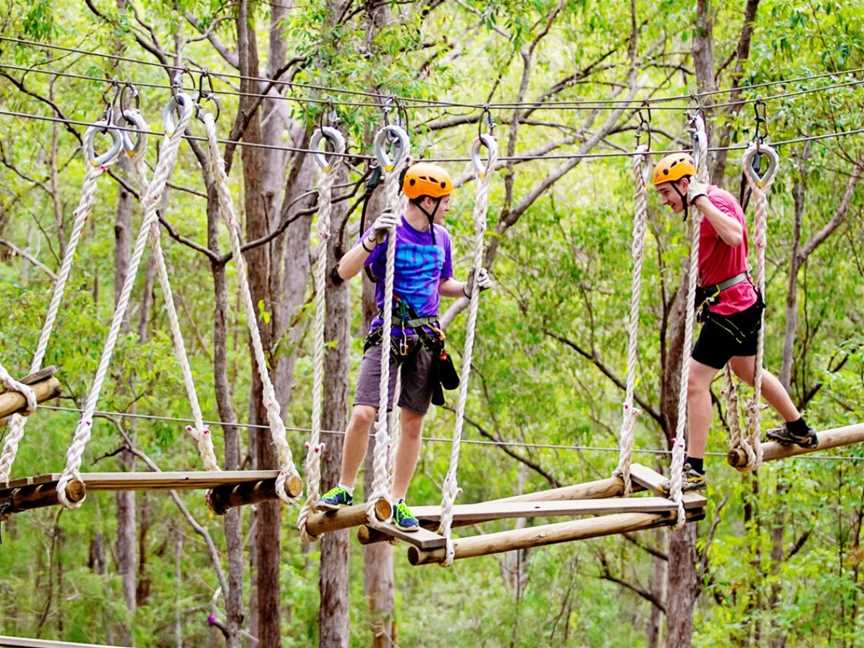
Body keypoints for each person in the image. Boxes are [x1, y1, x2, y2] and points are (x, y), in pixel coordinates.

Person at [318, 162, 492, 530]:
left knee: (412, 422)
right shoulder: (390, 232)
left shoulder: (441, 238)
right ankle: (344, 487)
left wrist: (468, 287)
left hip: (425, 337)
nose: (447, 207)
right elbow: (343, 272)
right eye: (443, 201)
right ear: (426, 200)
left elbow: (442, 283)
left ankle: (398, 499)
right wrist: (370, 240)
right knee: (364, 413)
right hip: (389, 332)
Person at [652, 153, 816, 490]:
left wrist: (699, 202)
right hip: (738, 302)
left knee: (696, 382)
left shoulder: (711, 202)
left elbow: (734, 235)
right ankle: (798, 428)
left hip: (732, 307)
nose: (665, 201)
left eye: (667, 192)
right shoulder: (710, 201)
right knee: (747, 371)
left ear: (685, 185)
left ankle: (693, 468)